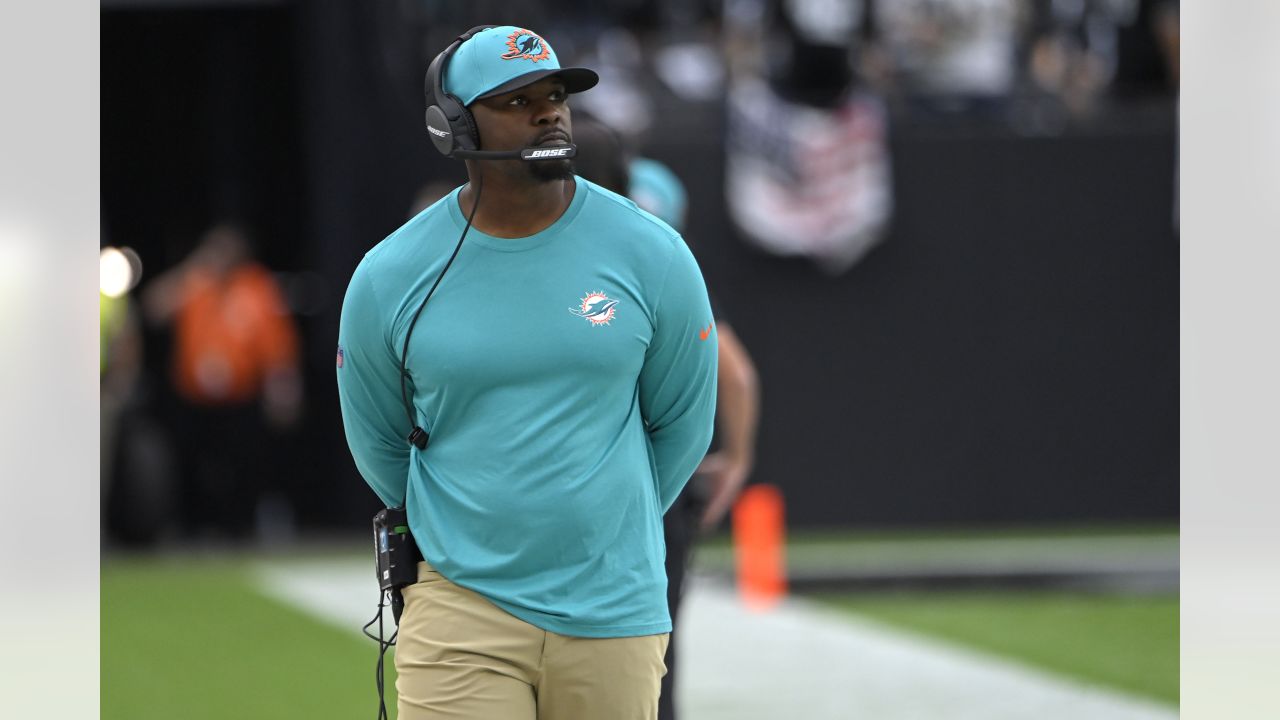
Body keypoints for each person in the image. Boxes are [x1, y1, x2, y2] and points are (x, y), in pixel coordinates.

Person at [336, 25, 718, 720]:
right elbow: (379, 441)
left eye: (555, 95)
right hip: (458, 605)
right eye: (517, 100)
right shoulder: (389, 277)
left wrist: (602, 519)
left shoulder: (653, 254)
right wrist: (470, 531)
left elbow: (683, 425)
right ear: (451, 126)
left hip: (614, 605)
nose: (548, 111)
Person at [569, 114, 761, 720]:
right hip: (642, 490)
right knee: (649, 665)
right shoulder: (654, 260)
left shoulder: (513, 261)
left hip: (542, 494)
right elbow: (737, 374)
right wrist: (735, 460)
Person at [142, 222, 302, 538]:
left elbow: (277, 349)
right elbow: (153, 308)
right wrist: (193, 268)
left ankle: (240, 531)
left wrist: (284, 392)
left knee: (244, 467)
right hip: (193, 400)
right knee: (194, 465)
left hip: (240, 399)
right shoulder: (194, 281)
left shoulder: (257, 288)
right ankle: (193, 528)